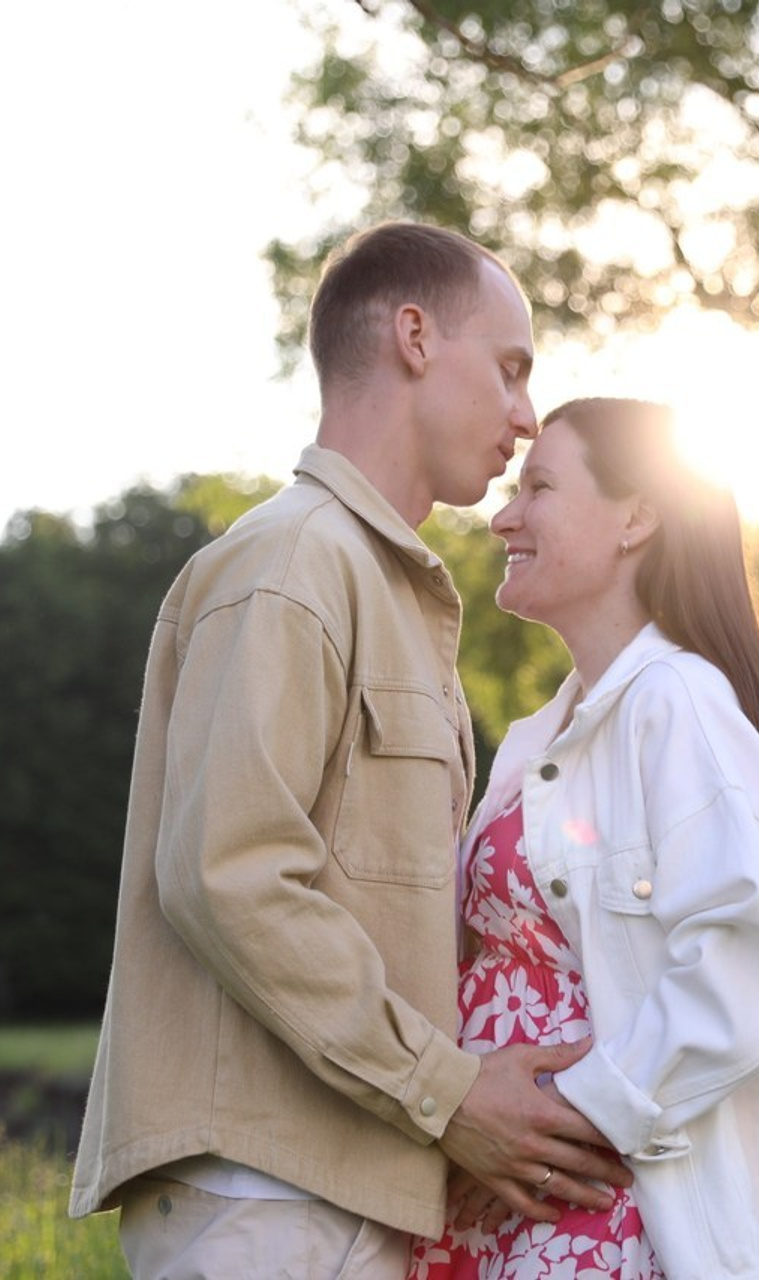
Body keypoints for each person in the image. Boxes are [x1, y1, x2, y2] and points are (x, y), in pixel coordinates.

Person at [69, 223, 632, 1279]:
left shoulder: (378, 587)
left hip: (336, 1188)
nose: (522, 415)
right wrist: (447, 1086)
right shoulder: (291, 564)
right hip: (265, 1199)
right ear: (413, 336)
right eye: (510, 369)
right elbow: (228, 874)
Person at [409, 398, 759, 1279]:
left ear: (638, 516)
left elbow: (758, 953)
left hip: (599, 1205)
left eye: (539, 486)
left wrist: (568, 1110)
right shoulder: (538, 740)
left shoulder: (677, 703)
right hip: (503, 1199)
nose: (503, 516)